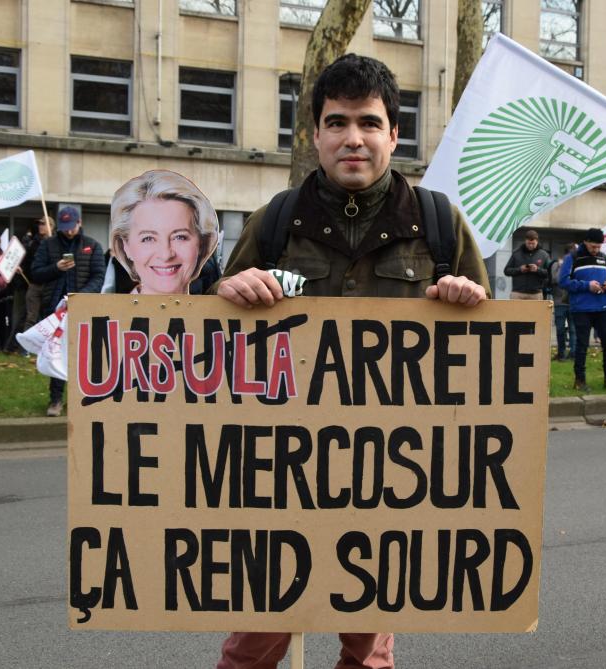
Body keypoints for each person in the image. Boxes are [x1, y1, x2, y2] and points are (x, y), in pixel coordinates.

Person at [211, 53, 489, 669]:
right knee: (252, 648)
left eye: (368, 122)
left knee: (367, 655)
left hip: (391, 479)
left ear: (394, 133)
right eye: (336, 123)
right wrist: (229, 294)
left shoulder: (440, 226)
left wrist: (468, 300)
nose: (353, 138)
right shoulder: (276, 223)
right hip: (281, 477)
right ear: (315, 135)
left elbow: (487, 356)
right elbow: (213, 341)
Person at [30, 206, 105, 417]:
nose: (69, 231)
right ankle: (55, 399)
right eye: (65, 228)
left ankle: (85, 397)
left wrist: (81, 297)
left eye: (71, 227)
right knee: (57, 354)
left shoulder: (92, 245)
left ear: (79, 223)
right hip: (55, 310)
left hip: (83, 307)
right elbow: (35, 273)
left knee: (86, 355)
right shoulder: (48, 245)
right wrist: (56, 268)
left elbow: (99, 276)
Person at [109, 169, 220, 296]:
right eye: (148, 238)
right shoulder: (108, 316)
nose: (166, 254)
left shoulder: (219, 315)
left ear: (202, 243)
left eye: (180, 237)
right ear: (125, 247)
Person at [559, 227, 606, 393]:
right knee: (582, 345)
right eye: (593, 247)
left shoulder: (604, 258)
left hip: (603, 307)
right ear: (586, 242)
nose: (596, 250)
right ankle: (579, 380)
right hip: (581, 308)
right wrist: (586, 286)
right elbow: (563, 281)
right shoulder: (572, 257)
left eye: (599, 247)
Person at [504, 229, 550, 300]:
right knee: (515, 311)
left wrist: (537, 270)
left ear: (537, 242)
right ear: (525, 241)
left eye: (533, 243)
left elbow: (549, 273)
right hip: (518, 293)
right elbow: (506, 271)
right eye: (529, 243)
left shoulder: (544, 255)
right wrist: (520, 269)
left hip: (536, 294)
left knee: (535, 312)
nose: (531, 245)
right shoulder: (516, 253)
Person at [548, 249, 576, 360]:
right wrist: (561, 268)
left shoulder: (577, 264)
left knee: (573, 329)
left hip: (573, 302)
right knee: (560, 329)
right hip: (559, 301)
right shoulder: (556, 264)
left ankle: (573, 353)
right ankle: (561, 353)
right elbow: (556, 279)